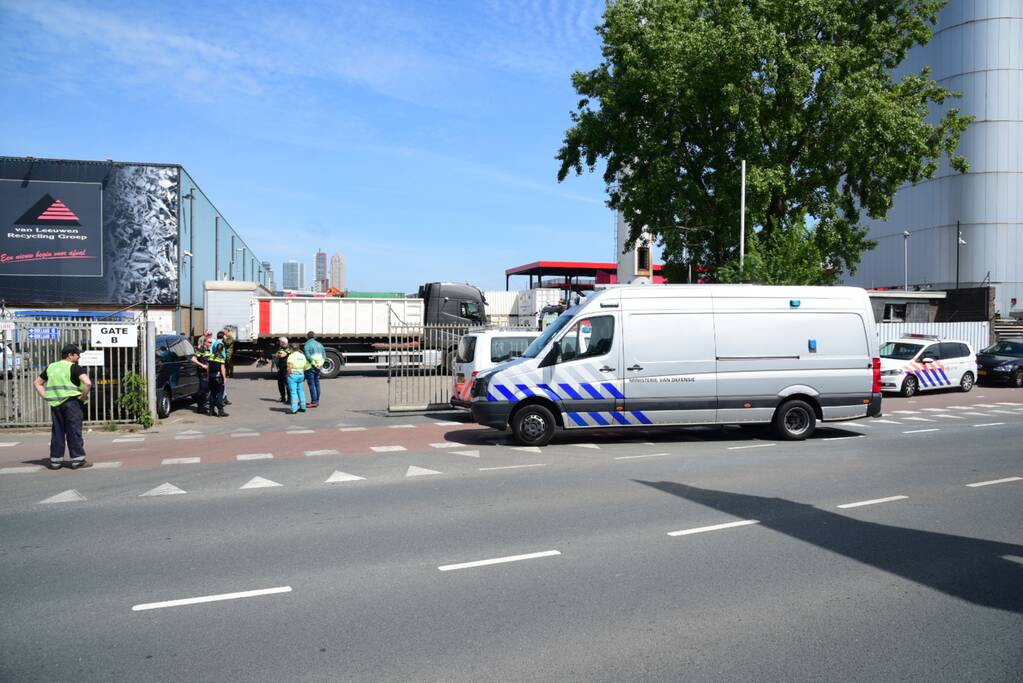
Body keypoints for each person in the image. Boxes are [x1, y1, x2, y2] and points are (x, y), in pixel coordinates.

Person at [34, 344, 92, 470]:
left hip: (56, 404)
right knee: (73, 431)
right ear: (70, 355)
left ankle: (55, 461)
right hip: (72, 403)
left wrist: (46, 396)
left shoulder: (51, 367)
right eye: (77, 354)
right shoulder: (74, 367)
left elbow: (37, 383)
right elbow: (87, 383)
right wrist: (83, 397)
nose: (79, 356)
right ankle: (78, 460)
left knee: (57, 432)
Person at [207, 331, 229, 417]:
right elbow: (222, 369)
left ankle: (211, 410)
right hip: (218, 377)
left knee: (212, 393)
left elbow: (208, 368)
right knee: (220, 393)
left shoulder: (211, 357)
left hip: (211, 377)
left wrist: (208, 376)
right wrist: (224, 378)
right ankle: (220, 411)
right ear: (222, 349)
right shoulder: (221, 358)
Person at [303, 331, 325, 408]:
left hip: (311, 367)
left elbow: (308, 356)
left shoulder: (307, 345)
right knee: (317, 384)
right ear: (314, 336)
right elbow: (324, 355)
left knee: (312, 384)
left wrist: (314, 363)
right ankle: (317, 400)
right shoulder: (320, 344)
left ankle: (314, 402)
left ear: (307, 337)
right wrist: (320, 364)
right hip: (318, 366)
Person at [191, 337, 212, 414]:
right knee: (203, 390)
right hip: (202, 373)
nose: (211, 344)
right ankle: (200, 407)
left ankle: (203, 405)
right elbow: (193, 359)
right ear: (205, 342)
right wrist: (202, 365)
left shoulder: (208, 350)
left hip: (207, 373)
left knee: (207, 390)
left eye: (211, 342)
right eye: (209, 342)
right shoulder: (201, 349)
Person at [286, 342, 308, 414]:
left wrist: (288, 375)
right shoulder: (302, 356)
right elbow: (305, 366)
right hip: (301, 374)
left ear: (291, 349)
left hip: (293, 375)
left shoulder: (291, 356)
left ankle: (294, 409)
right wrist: (301, 372)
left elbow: (289, 367)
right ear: (299, 348)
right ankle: (303, 407)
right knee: (300, 391)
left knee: (293, 392)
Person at [273, 336, 291, 404]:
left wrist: (279, 354)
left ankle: (289, 399)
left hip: (286, 368)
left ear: (283, 343)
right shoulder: (280, 348)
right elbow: (276, 354)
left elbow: (281, 355)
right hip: (280, 368)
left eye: (280, 342)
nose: (279, 343)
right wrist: (278, 354)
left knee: (287, 383)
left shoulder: (289, 348)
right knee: (280, 383)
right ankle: (283, 397)